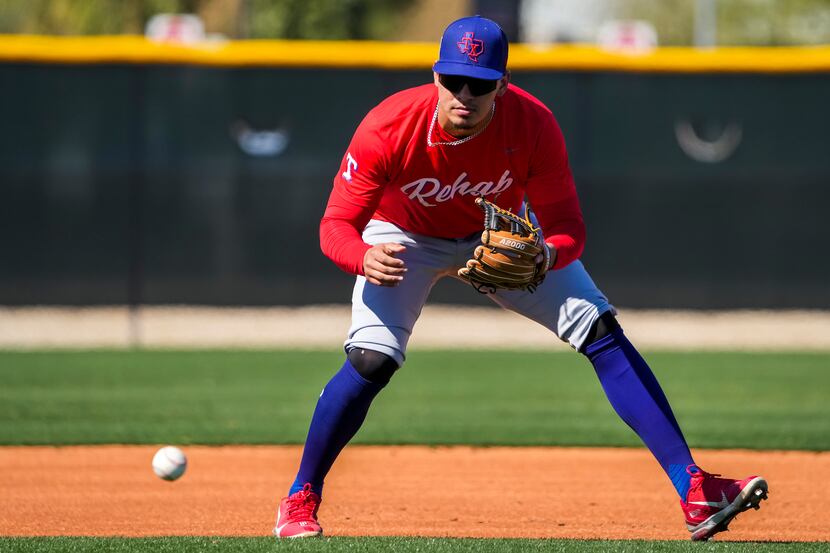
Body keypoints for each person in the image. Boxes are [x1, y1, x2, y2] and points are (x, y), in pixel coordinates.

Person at [274, 15, 768, 541]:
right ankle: (300, 498)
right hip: (403, 238)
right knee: (372, 359)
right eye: (452, 80)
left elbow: (568, 228)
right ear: (434, 76)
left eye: (480, 84)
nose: (464, 94)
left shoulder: (534, 125)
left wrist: (546, 258)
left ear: (502, 85)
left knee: (598, 328)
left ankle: (694, 489)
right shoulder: (388, 126)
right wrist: (361, 258)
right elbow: (335, 226)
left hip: (498, 239)